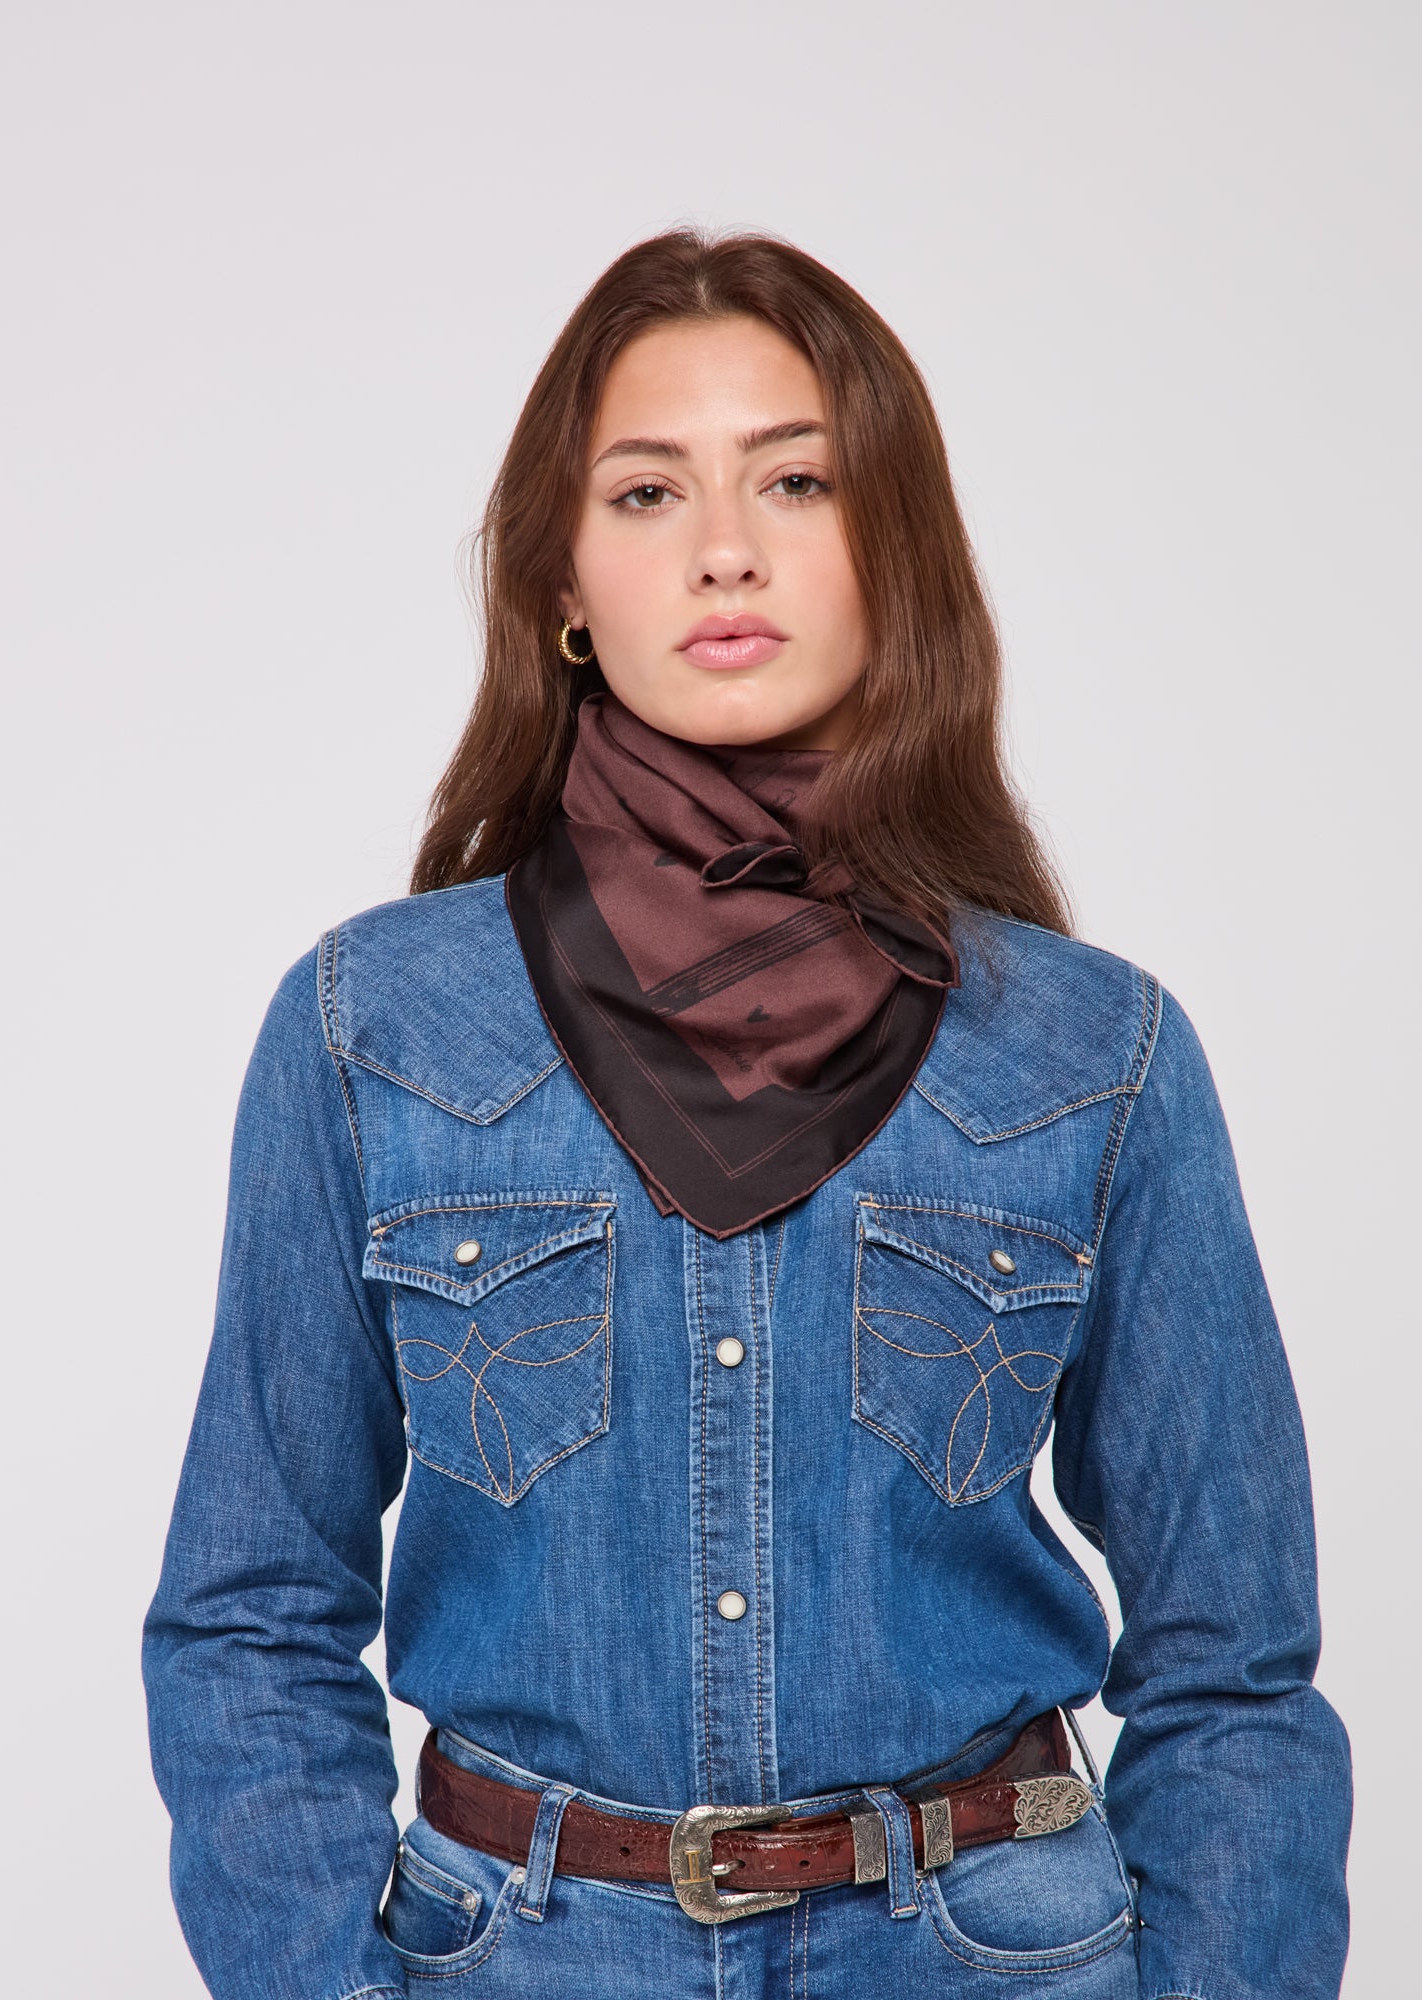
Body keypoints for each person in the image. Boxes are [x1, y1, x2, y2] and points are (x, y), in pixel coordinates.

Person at [142, 230, 1351, 2000]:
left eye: (797, 480)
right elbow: (249, 1609)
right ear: (564, 582)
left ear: (892, 552)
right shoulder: (371, 1030)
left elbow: (1234, 1662)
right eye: (647, 492)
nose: (726, 547)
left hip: (989, 1955)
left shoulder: (1096, 1054)